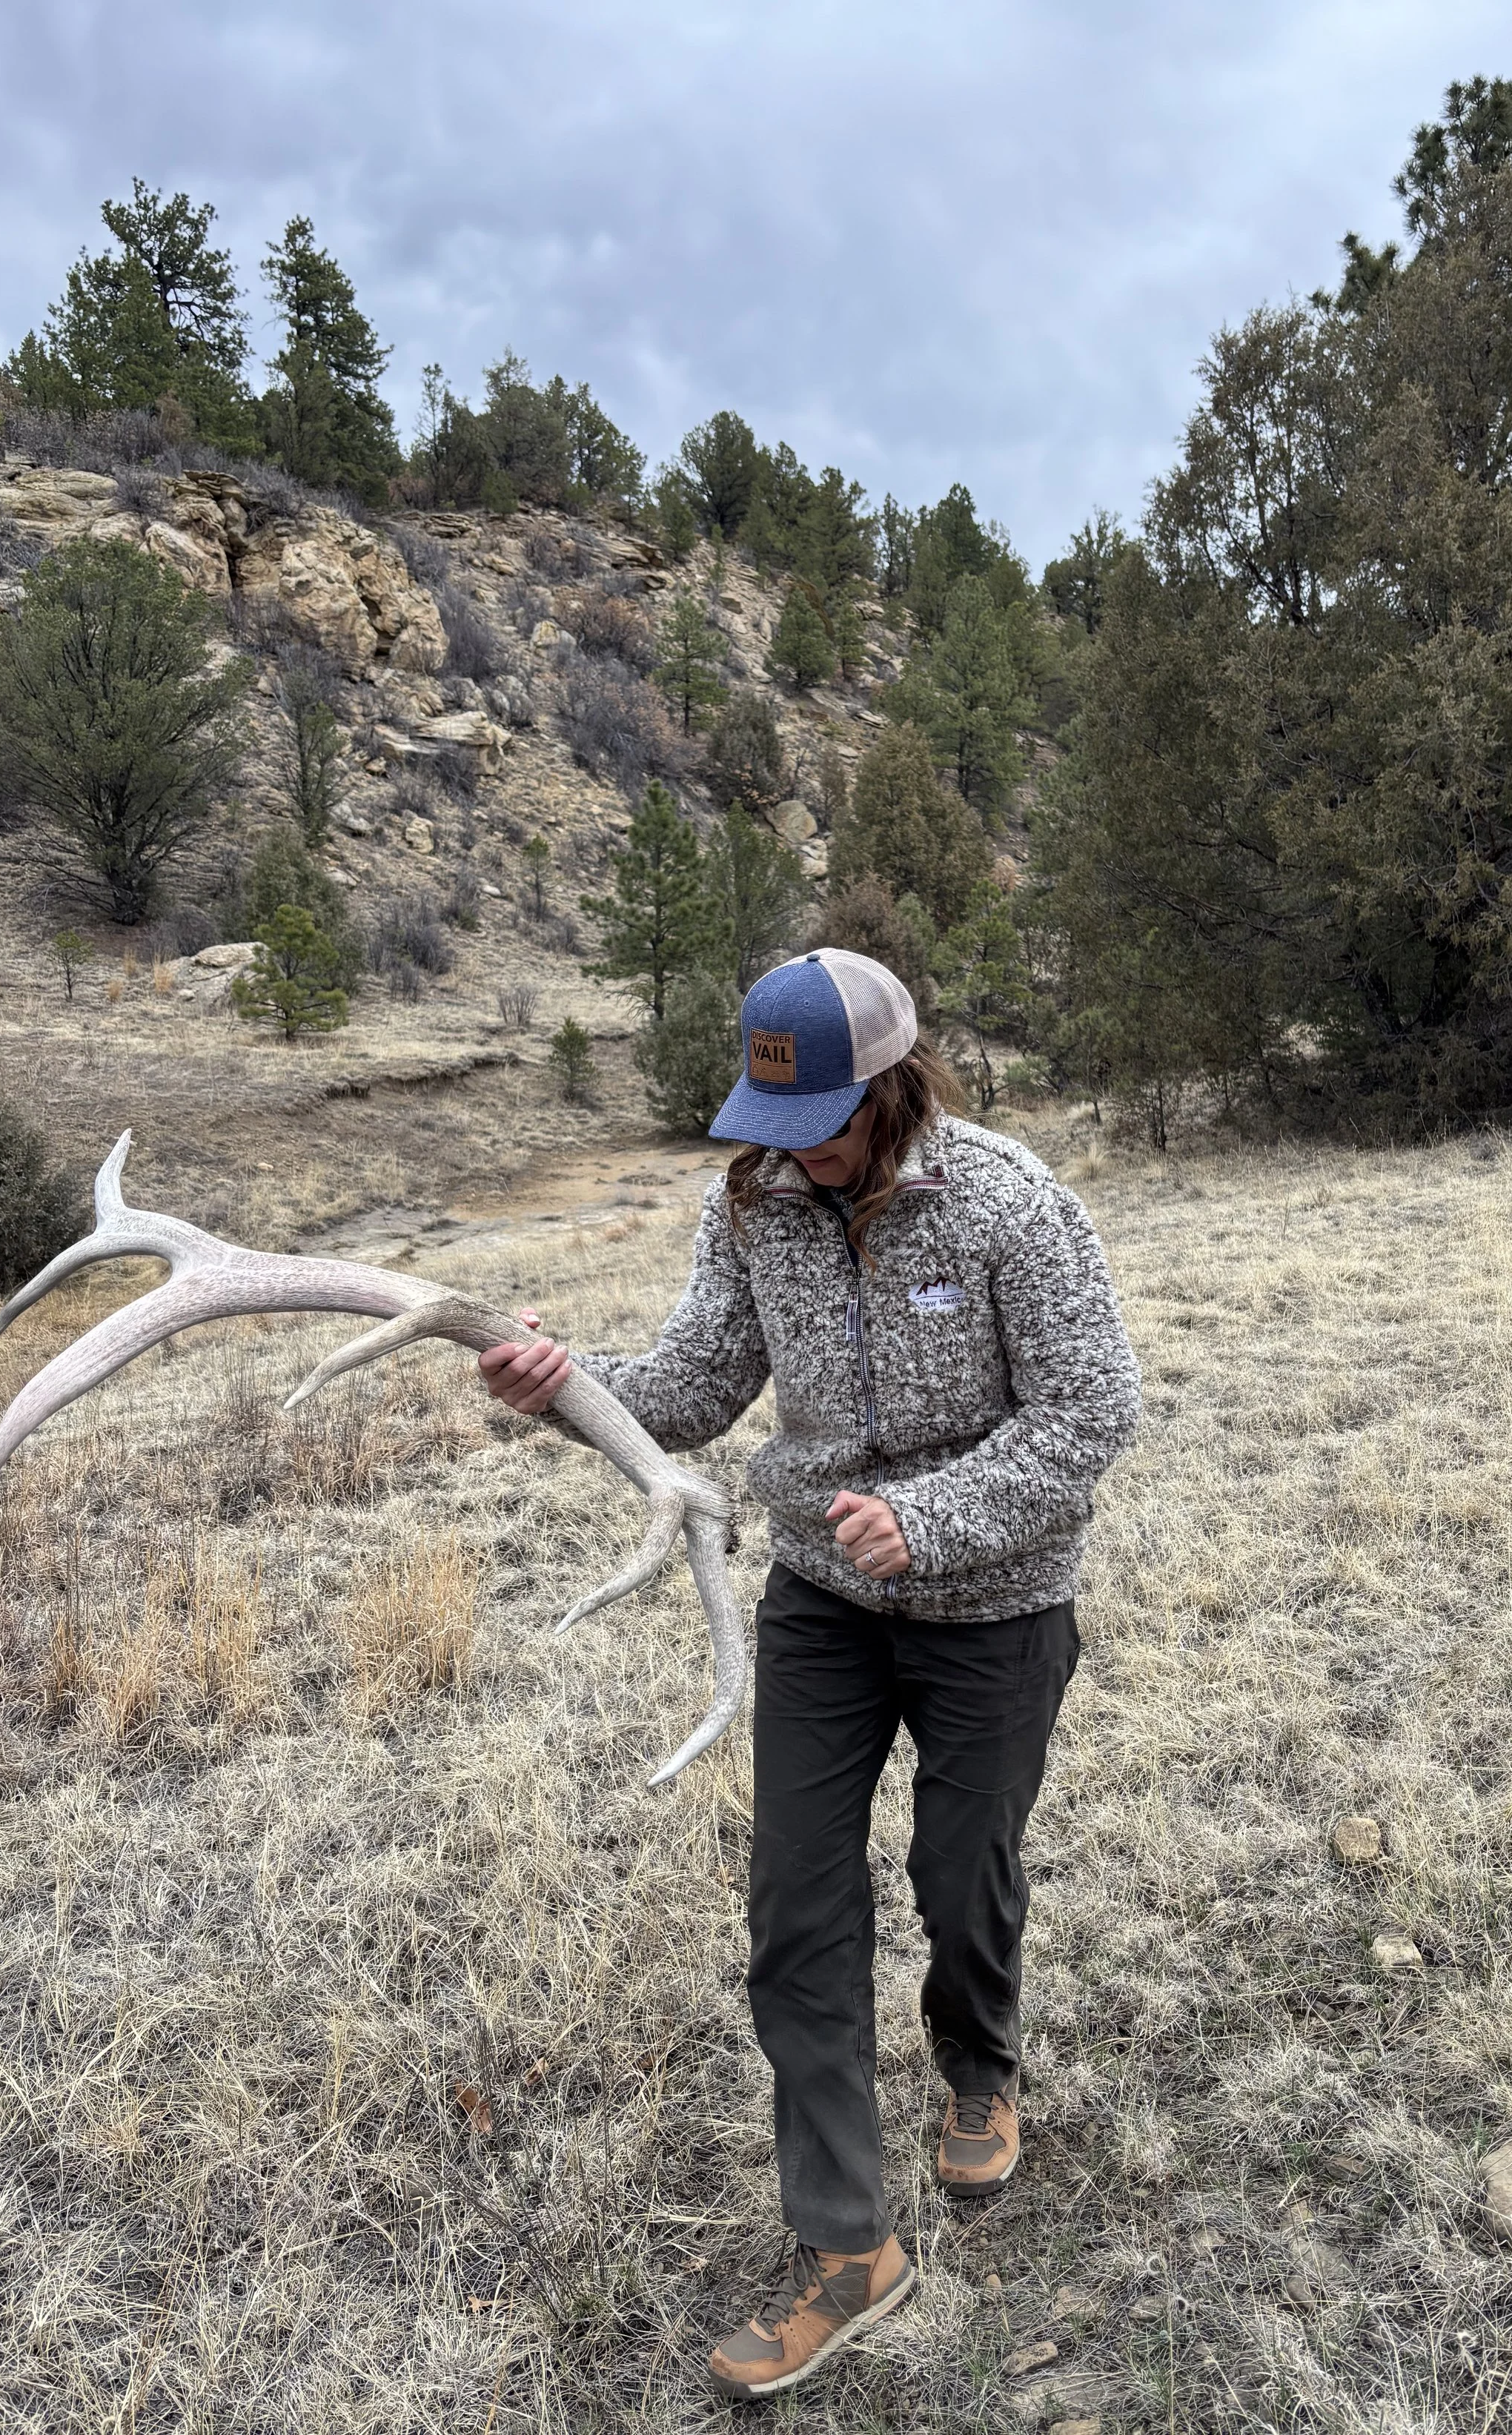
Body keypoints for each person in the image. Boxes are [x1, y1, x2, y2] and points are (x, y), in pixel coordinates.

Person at [479, 947, 1140, 2402]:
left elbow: (1094, 1410)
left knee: (961, 1872)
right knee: (794, 1908)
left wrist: (932, 1519)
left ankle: (978, 2065)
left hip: (995, 1608)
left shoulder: (1009, 1205)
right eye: (772, 1123)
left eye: (824, 1119)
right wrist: (562, 1385)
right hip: (823, 1607)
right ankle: (848, 2248)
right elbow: (694, 1386)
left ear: (893, 1086)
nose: (793, 1150)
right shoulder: (755, 1208)